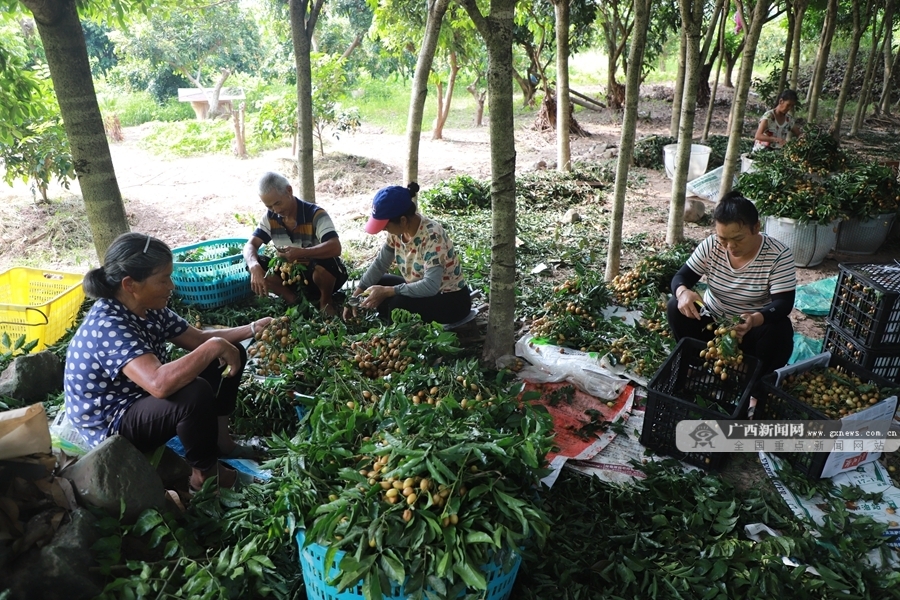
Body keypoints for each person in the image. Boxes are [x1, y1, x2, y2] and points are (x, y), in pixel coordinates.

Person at [63, 233, 273, 491]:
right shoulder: (109, 324)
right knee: (194, 394)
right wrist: (213, 346)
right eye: (163, 280)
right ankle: (205, 475)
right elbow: (158, 384)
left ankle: (222, 443)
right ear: (130, 284)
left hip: (138, 395)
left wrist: (252, 328)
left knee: (230, 352)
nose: (171, 286)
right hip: (113, 422)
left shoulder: (148, 306)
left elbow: (198, 339)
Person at [667, 192, 796, 375]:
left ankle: (754, 379)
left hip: (748, 332)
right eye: (723, 239)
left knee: (780, 329)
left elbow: (783, 304)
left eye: (738, 239)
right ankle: (699, 363)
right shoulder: (711, 246)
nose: (729, 246)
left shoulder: (778, 256)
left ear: (756, 227)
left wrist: (753, 319)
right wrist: (682, 293)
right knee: (675, 306)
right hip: (712, 325)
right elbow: (681, 277)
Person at [343, 182, 471, 324]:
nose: (385, 231)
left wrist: (388, 291)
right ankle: (387, 316)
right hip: (421, 289)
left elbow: (430, 286)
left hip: (450, 299)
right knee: (378, 282)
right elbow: (380, 264)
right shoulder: (398, 233)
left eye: (386, 227)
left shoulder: (432, 236)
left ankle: (392, 327)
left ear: (403, 220)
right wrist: (356, 295)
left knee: (398, 305)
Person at [244, 172, 348, 315]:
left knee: (324, 261)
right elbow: (250, 245)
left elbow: (335, 247)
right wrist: (253, 265)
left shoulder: (315, 215)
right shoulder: (270, 218)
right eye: (270, 207)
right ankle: (293, 300)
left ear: (289, 191)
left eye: (278, 203)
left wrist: (303, 253)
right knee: (257, 263)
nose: (276, 210)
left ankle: (326, 300)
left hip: (320, 277)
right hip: (291, 279)